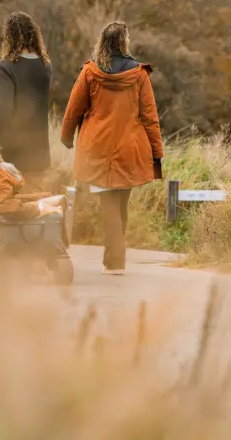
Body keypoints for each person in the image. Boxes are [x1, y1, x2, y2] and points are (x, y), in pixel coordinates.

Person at [60, 21, 163, 275]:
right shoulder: (139, 74)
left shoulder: (90, 72)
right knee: (120, 203)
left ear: (103, 42)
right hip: (130, 147)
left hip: (98, 147)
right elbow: (150, 116)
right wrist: (156, 152)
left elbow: (74, 108)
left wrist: (67, 136)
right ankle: (114, 257)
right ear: (124, 41)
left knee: (108, 204)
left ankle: (115, 260)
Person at [0, 12, 53, 193]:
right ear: (33, 35)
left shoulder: (6, 68)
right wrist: (3, 66)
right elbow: (27, 79)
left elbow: (4, 108)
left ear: (10, 37)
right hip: (39, 153)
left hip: (13, 154)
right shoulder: (46, 66)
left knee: (10, 211)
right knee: (35, 209)